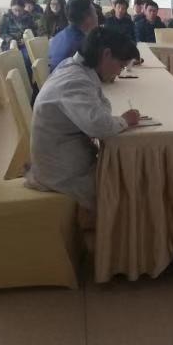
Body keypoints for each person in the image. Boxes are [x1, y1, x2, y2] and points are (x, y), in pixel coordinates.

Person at [25, 28, 141, 211]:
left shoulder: (74, 67)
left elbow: (102, 107)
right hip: (62, 173)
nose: (119, 72)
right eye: (120, 65)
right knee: (131, 184)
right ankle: (116, 228)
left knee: (128, 172)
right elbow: (100, 126)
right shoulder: (75, 81)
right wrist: (124, 120)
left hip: (63, 159)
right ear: (106, 54)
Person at [49, 0, 99, 70]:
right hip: (67, 75)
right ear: (87, 17)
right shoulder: (83, 43)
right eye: (95, 13)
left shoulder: (59, 35)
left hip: (54, 75)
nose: (97, 16)